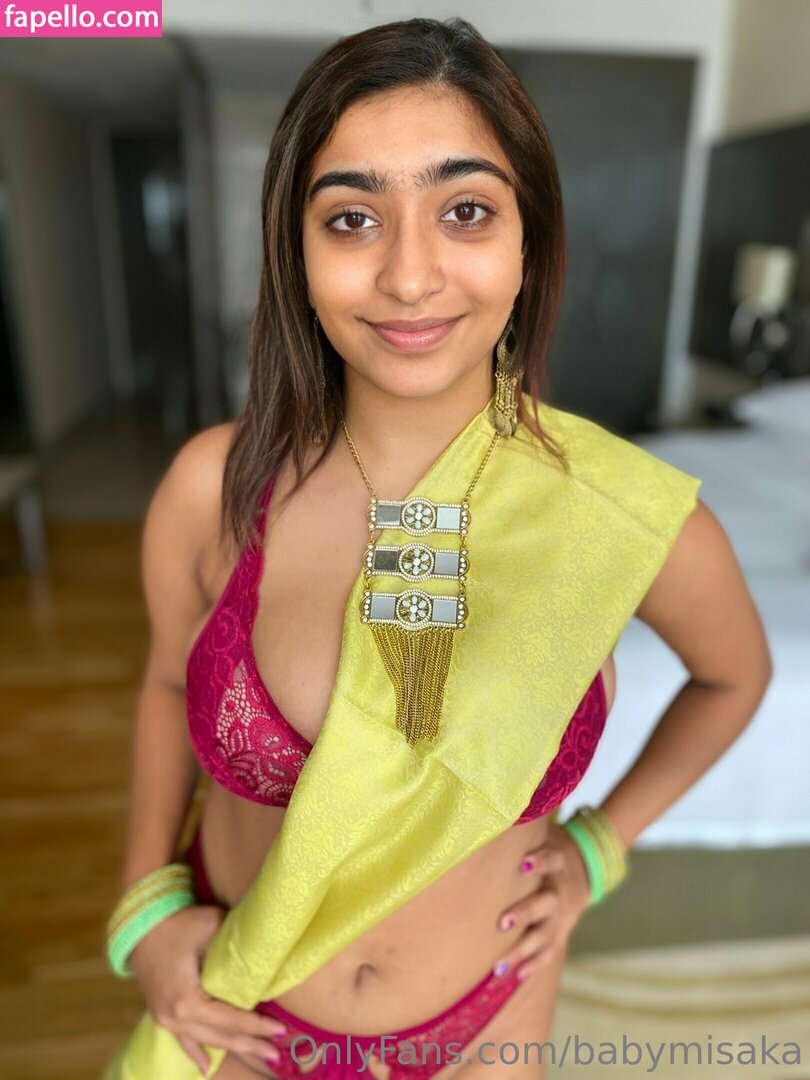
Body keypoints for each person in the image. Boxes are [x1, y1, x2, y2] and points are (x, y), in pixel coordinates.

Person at [102, 17, 772, 1080]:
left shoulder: (623, 517)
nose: (410, 277)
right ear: (295, 252)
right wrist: (144, 905)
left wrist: (600, 848)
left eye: (465, 211)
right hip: (236, 1009)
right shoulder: (214, 488)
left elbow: (737, 675)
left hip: (489, 1029)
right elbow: (166, 683)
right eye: (352, 218)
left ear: (528, 241)